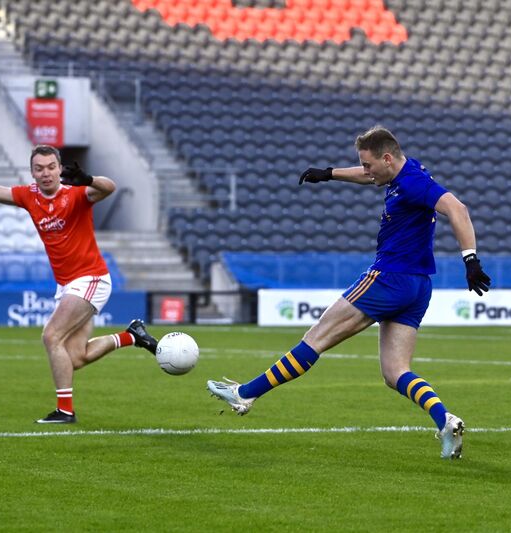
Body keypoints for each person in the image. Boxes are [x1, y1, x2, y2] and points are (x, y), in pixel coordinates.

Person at [207, 126, 491, 459]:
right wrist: (329, 174)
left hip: (388, 278)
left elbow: (458, 208)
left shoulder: (413, 183)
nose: (367, 172)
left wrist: (470, 259)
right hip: (417, 286)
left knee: (315, 338)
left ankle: (245, 393)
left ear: (387, 158)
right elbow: (366, 177)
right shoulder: (406, 170)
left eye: (369, 164)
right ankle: (445, 420)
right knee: (395, 372)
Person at [0, 146, 159, 424]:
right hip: (68, 284)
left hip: (90, 278)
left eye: (51, 166)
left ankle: (65, 411)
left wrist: (88, 179)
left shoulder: (77, 193)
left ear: (59, 168)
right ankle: (132, 336)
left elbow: (109, 188)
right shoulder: (29, 196)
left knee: (51, 336)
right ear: (32, 172)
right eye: (39, 168)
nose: (46, 173)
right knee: (75, 357)